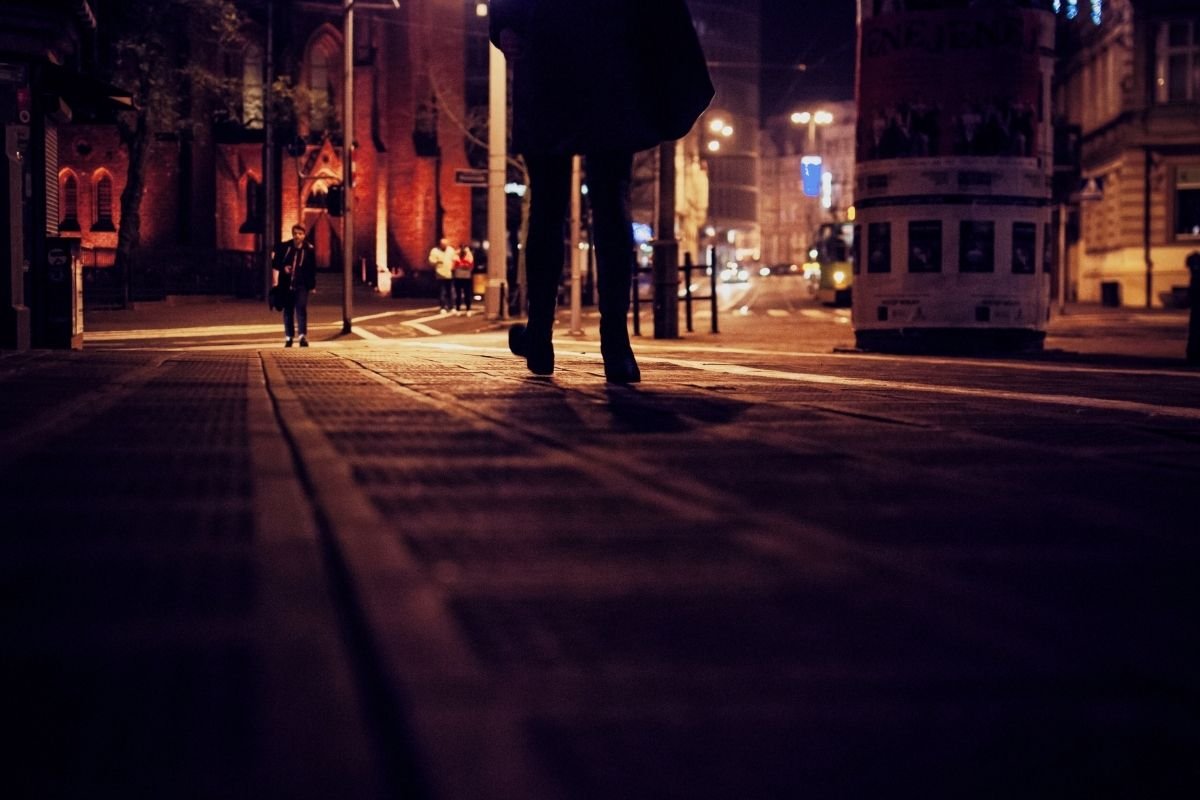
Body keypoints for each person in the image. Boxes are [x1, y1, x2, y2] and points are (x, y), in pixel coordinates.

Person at [490, 0, 713, 382]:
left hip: (549, 61)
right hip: (612, 67)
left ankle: (540, 336)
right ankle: (616, 346)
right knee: (612, 204)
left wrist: (504, 26)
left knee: (547, 203)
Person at [271, 224, 317, 347]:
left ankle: (302, 336)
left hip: (302, 284)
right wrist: (284, 268)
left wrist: (312, 285)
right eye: (295, 233)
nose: (297, 236)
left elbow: (312, 268)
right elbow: (275, 263)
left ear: (304, 235)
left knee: (301, 308)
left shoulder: (309, 249)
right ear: (292, 234)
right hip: (286, 284)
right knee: (288, 310)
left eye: (300, 233)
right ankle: (289, 337)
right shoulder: (285, 247)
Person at [428, 237, 456, 312]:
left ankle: (452, 307)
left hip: (449, 273)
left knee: (450, 291)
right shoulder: (435, 251)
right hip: (440, 273)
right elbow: (431, 261)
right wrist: (437, 262)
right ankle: (443, 307)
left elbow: (454, 259)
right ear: (440, 244)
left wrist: (453, 266)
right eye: (443, 244)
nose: (444, 246)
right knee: (442, 291)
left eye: (446, 244)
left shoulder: (450, 250)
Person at [453, 244, 475, 313]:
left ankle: (468, 309)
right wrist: (463, 265)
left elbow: (470, 266)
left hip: (466, 277)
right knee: (458, 294)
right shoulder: (456, 255)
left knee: (467, 294)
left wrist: (462, 265)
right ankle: (458, 308)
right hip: (458, 277)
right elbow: (455, 266)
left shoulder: (469, 256)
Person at [1187, 250, 1200, 365]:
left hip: (1196, 305)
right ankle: (1193, 353)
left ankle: (1193, 353)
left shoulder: (1194, 276)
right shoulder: (1195, 277)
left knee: (1195, 329)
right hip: (1197, 304)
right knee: (1195, 329)